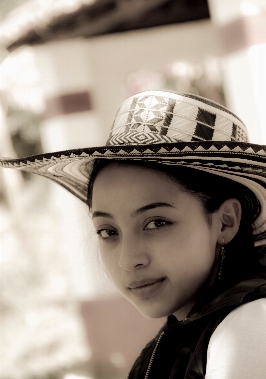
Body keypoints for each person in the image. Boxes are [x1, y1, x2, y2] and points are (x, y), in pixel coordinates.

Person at [1, 90, 266, 378]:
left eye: (156, 223)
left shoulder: (247, 327)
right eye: (108, 231)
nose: (128, 260)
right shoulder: (176, 340)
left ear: (225, 222)